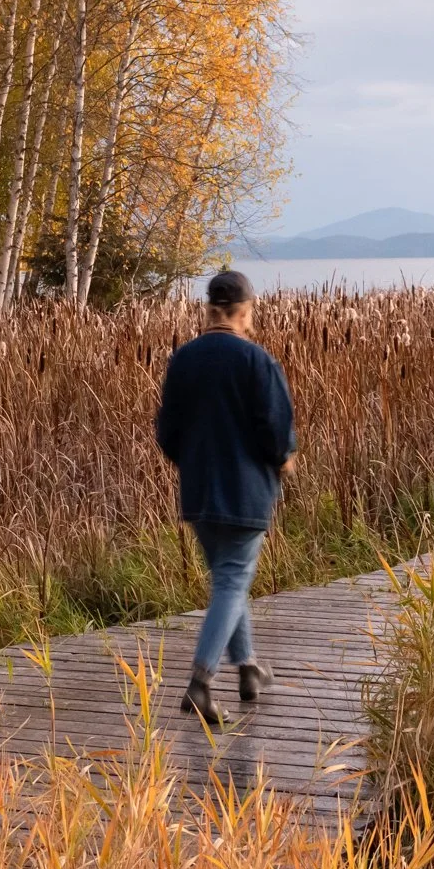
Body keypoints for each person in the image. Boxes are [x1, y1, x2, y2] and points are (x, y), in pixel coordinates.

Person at [154, 268, 297, 727]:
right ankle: (200, 682)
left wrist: (194, 461)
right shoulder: (257, 362)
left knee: (227, 583)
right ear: (243, 312)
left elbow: (167, 433)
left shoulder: (184, 360)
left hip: (198, 492)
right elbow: (277, 431)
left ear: (210, 309)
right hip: (245, 494)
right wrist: (284, 458)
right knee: (233, 582)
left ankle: (249, 669)